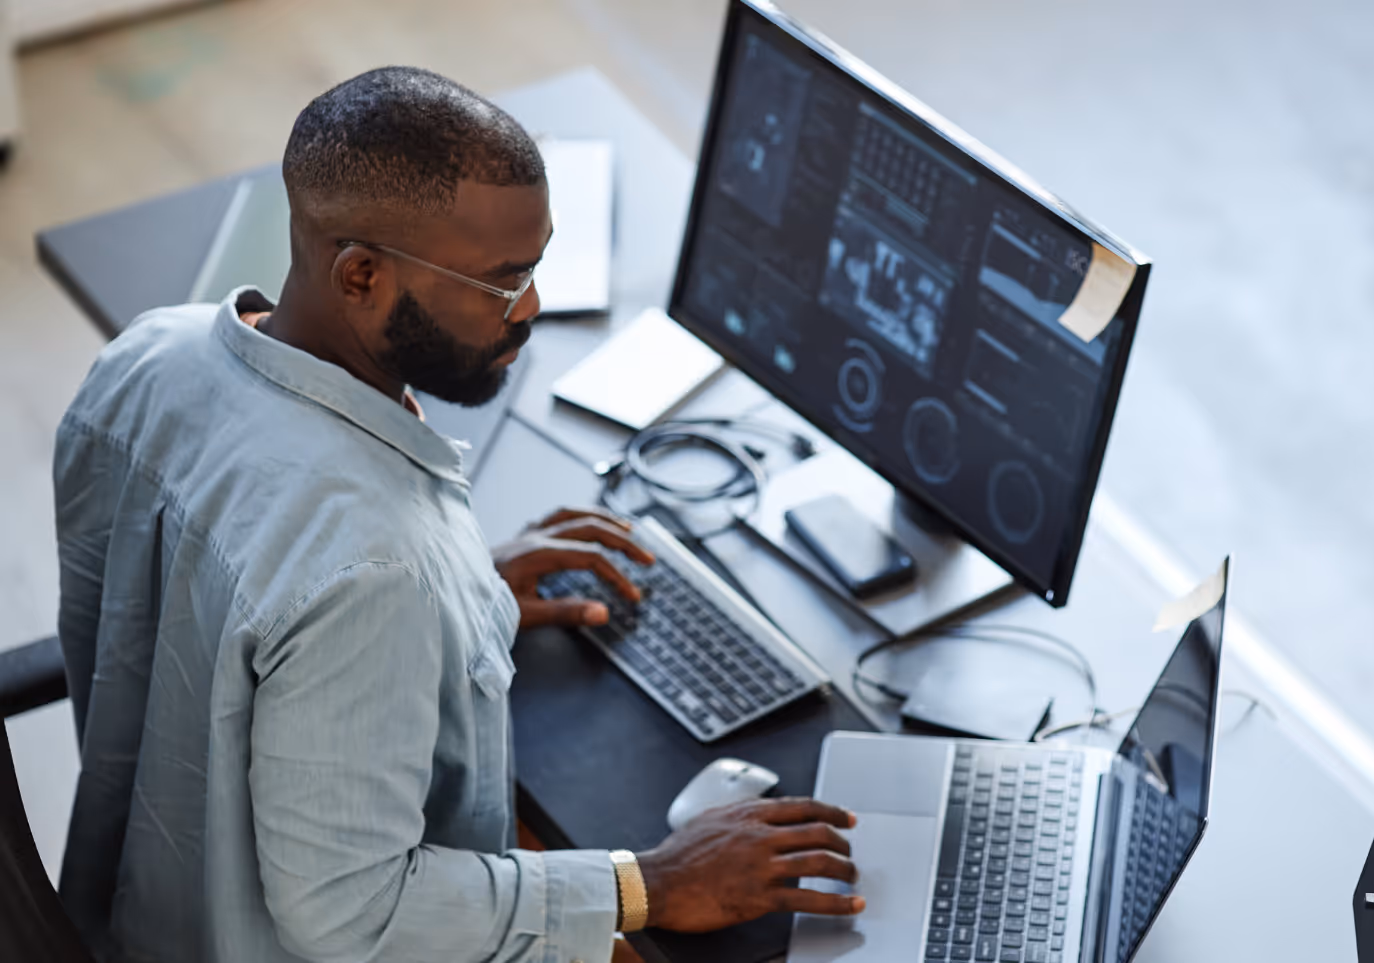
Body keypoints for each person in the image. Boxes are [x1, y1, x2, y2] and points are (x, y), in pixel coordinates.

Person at [52, 66, 863, 963]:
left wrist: (462, 597)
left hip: (134, 902)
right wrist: (649, 884)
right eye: (502, 282)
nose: (533, 310)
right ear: (360, 274)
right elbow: (352, 915)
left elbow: (221, 603)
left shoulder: (146, 356)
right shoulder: (372, 568)